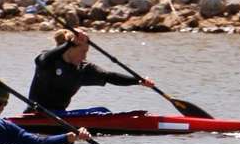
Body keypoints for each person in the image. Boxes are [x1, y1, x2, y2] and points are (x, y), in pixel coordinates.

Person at [27, 29, 155, 113]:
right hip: (36, 114)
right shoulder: (49, 61)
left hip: (61, 115)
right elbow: (42, 59)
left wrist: (138, 81)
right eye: (83, 51)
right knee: (100, 113)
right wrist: (69, 43)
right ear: (70, 49)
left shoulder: (84, 69)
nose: (84, 57)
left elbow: (110, 77)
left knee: (103, 111)